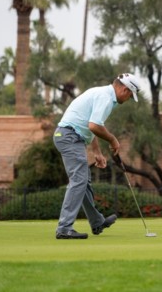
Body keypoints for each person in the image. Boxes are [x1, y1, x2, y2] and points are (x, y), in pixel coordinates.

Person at [53, 73, 140, 239]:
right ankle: (64, 228)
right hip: (69, 136)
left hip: (70, 136)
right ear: (124, 89)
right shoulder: (105, 97)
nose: (129, 98)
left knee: (83, 181)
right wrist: (113, 139)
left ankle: (96, 222)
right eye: (130, 94)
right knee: (79, 180)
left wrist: (97, 152)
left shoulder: (103, 94)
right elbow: (94, 126)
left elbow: (90, 125)